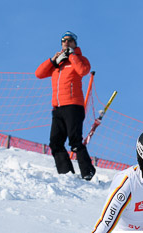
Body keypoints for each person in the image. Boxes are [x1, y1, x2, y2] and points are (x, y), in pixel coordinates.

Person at [35, 31, 95, 180]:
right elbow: (39, 73)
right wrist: (52, 60)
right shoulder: (58, 64)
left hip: (73, 106)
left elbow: (83, 71)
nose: (66, 43)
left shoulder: (79, 59)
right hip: (57, 108)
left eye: (69, 40)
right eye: (63, 41)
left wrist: (72, 56)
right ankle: (66, 173)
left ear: (75, 44)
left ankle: (88, 172)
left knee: (75, 142)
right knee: (55, 143)